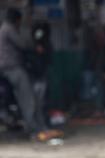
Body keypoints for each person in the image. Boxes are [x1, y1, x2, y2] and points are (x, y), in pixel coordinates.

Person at [0, 8, 61, 141]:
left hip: (10, 68)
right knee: (29, 100)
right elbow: (22, 44)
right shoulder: (9, 29)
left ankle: (37, 126)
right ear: (17, 20)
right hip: (13, 68)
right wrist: (35, 47)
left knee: (30, 98)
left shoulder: (5, 28)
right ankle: (34, 130)